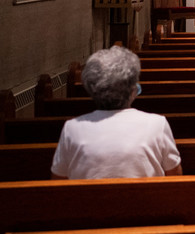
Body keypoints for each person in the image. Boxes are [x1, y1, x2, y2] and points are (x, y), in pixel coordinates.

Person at [50, 46, 182, 179]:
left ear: (92, 90)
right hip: (145, 200)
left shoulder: (72, 128)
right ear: (132, 90)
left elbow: (57, 181)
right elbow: (174, 175)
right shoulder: (157, 124)